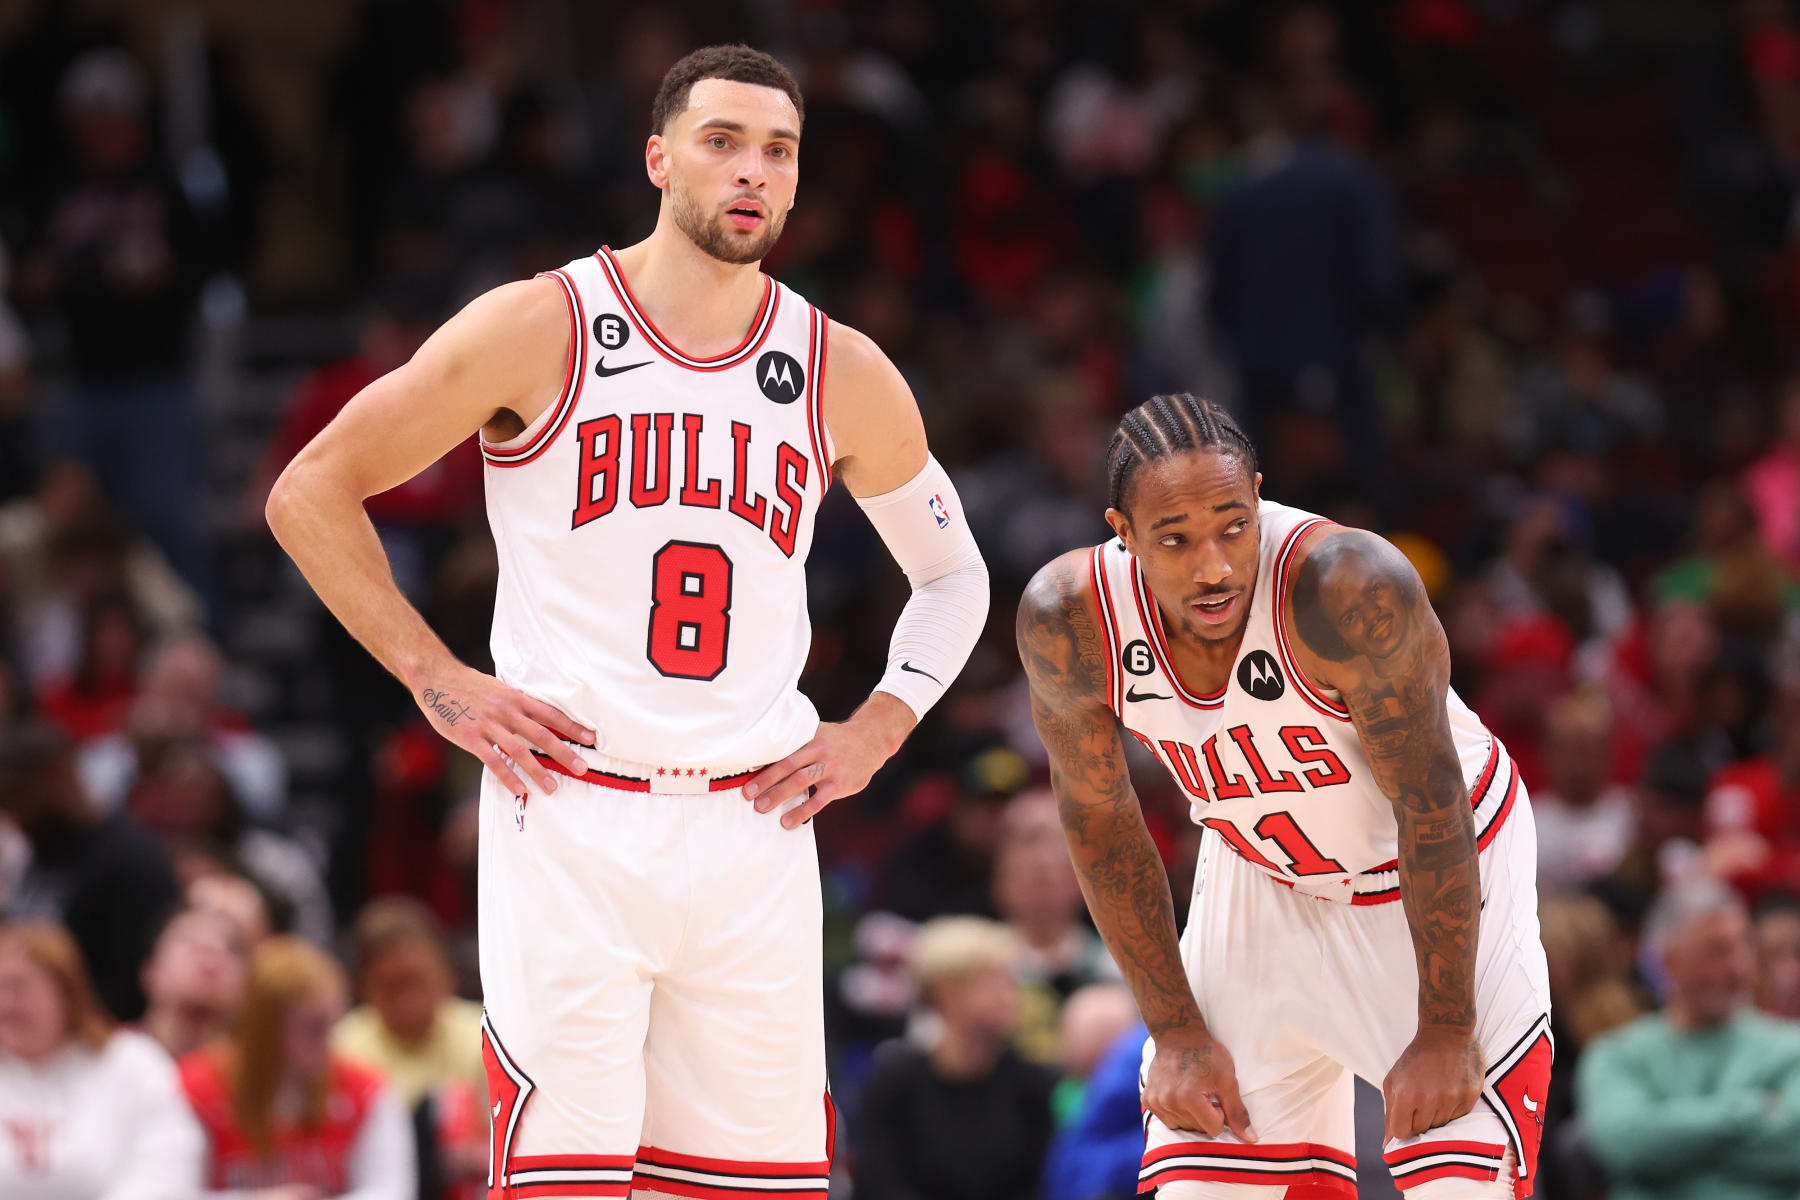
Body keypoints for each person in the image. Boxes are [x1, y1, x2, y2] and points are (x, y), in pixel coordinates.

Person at [264, 44, 988, 1196]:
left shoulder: (840, 368)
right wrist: (432, 674)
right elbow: (309, 489)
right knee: (566, 1182)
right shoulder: (537, 325)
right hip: (572, 816)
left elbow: (956, 578)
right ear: (658, 158)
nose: (752, 171)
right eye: (723, 142)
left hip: (754, 827)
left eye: (778, 152)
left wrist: (878, 729)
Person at [1017, 392, 1551, 1197]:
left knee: (1459, 1182)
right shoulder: (1070, 620)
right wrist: (1174, 1029)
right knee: (1206, 1179)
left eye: (1235, 525)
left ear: (1260, 495)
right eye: (1175, 539)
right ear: (1121, 534)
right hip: (1259, 876)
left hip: (1432, 870)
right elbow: (1098, 820)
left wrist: (1446, 1026)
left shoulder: (1347, 585)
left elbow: (1430, 804)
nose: (1215, 567)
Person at [1576, 879, 1800, 1200]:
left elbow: (1794, 1148)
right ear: (1670, 960)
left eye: (1744, 946)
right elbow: (1624, 1145)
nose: (1738, 967)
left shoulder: (1791, 1047)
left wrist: (1670, 1141)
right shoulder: (1616, 1054)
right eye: (1717, 950)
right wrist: (1746, 1111)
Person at [179, 936, 416, 1200]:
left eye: (333, 1024)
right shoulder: (194, 1090)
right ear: (264, 1029)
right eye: (314, 1027)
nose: (329, 1042)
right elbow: (167, 1192)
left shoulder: (366, 1089)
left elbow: (392, 1190)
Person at [854, 916, 1057, 1200]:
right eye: (994, 982)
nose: (1010, 996)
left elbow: (1043, 1183)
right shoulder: (894, 1082)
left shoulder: (1033, 1083)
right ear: (946, 991)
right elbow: (878, 1182)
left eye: (1011, 982)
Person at [0, 920, 203, 1199]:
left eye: (18, 987)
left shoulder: (132, 1062)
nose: (6, 1004)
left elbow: (169, 1162)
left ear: (66, 992)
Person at [0, 720, 181, 1020]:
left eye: (12, 797)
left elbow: (128, 994)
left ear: (55, 777)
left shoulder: (131, 863)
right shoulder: (45, 847)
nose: (10, 813)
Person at [330, 895, 484, 1109]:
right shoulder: (341, 1051)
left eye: (415, 981)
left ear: (446, 974)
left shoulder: (486, 1037)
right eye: (392, 986)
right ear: (364, 987)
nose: (408, 1001)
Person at [139, 903, 250, 1059]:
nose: (213, 959)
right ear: (151, 971)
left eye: (231, 948)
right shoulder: (109, 1055)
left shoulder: (257, 1074)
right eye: (191, 941)